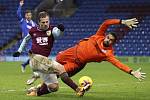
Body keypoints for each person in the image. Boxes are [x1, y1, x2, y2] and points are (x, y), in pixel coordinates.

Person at [13, 11, 89, 97]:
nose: (45, 24)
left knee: (54, 87)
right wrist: (19, 51)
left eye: (47, 21)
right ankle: (78, 89)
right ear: (38, 22)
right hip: (35, 58)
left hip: (43, 61)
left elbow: (57, 34)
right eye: (43, 22)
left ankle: (36, 91)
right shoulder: (33, 30)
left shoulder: (52, 29)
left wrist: (61, 30)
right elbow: (26, 39)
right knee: (61, 68)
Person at [55, 18, 146, 80]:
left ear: (113, 43)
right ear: (106, 36)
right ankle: (42, 73)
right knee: (55, 61)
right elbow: (106, 23)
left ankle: (43, 87)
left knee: (58, 73)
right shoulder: (99, 35)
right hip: (71, 52)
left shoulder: (108, 54)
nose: (108, 40)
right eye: (108, 37)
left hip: (78, 63)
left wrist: (132, 72)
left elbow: (118, 64)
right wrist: (122, 22)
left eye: (111, 40)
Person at [17, 0, 36, 72]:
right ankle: (35, 70)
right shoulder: (23, 21)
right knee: (33, 55)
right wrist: (20, 5)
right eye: (27, 15)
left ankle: (24, 64)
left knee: (34, 56)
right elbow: (18, 13)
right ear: (25, 16)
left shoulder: (34, 24)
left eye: (30, 15)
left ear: (31, 15)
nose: (28, 16)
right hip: (27, 42)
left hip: (33, 42)